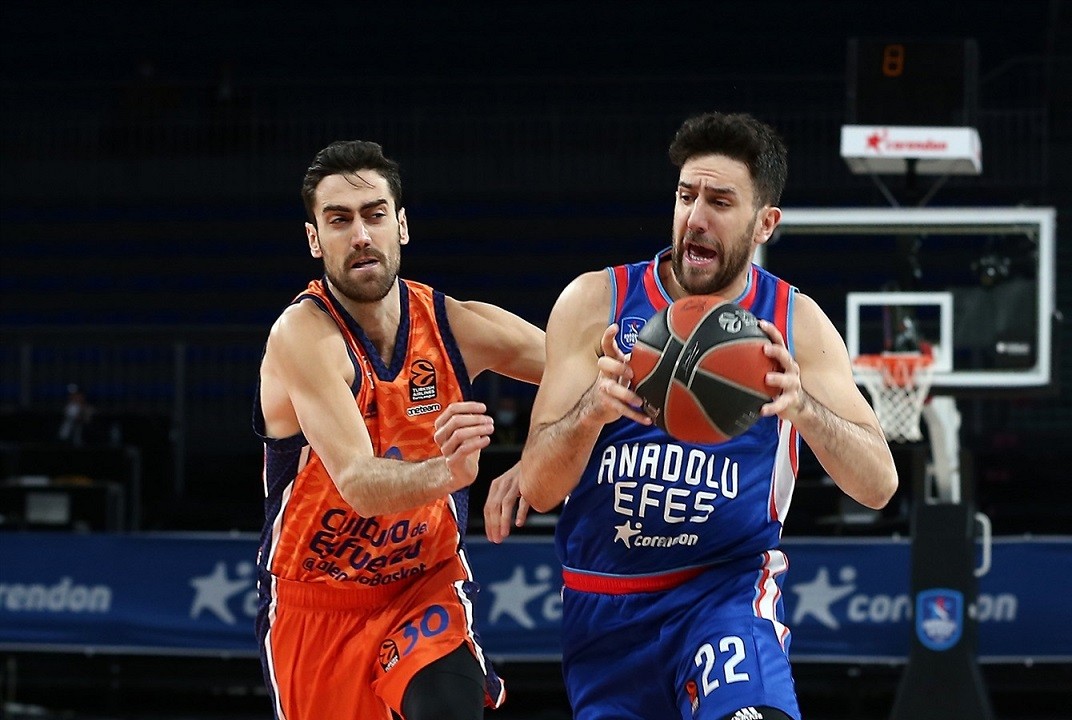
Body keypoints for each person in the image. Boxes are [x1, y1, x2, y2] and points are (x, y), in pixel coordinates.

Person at [519, 112, 898, 720]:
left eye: (720, 202)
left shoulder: (794, 322)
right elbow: (539, 488)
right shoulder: (596, 302)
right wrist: (592, 411)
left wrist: (803, 408)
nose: (695, 217)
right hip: (605, 608)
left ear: (764, 223)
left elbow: (879, 484)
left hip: (724, 595)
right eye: (685, 196)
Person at [253, 140, 544, 720]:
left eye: (374, 215)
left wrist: (535, 459)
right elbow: (359, 483)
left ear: (401, 226)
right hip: (317, 603)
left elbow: (581, 372)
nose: (361, 235)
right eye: (339, 220)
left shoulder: (455, 324)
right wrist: (449, 472)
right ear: (315, 239)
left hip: (423, 585)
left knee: (448, 707)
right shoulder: (302, 337)